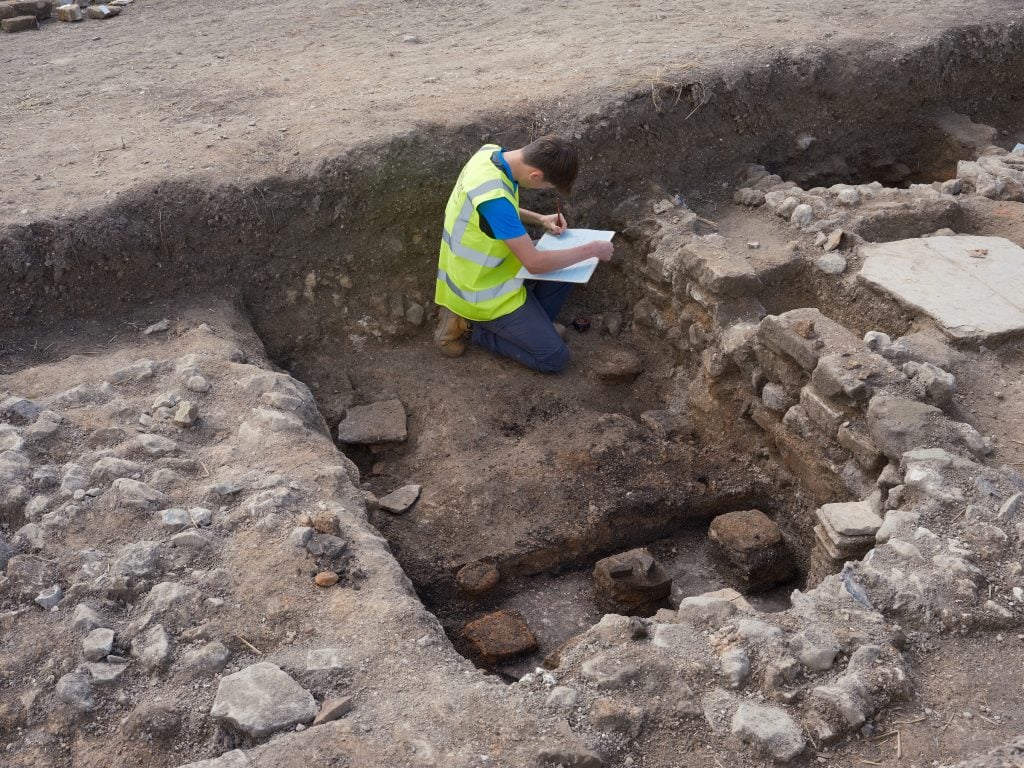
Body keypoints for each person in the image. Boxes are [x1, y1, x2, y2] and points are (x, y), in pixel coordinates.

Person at [433, 135, 614, 373]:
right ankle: (473, 328)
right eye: (547, 186)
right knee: (554, 358)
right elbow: (535, 263)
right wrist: (592, 249)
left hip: (494, 268)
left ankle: (534, 329)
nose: (545, 189)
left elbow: (499, 209)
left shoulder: (489, 155)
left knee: (571, 266)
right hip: (481, 294)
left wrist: (539, 219)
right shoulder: (494, 200)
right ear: (536, 175)